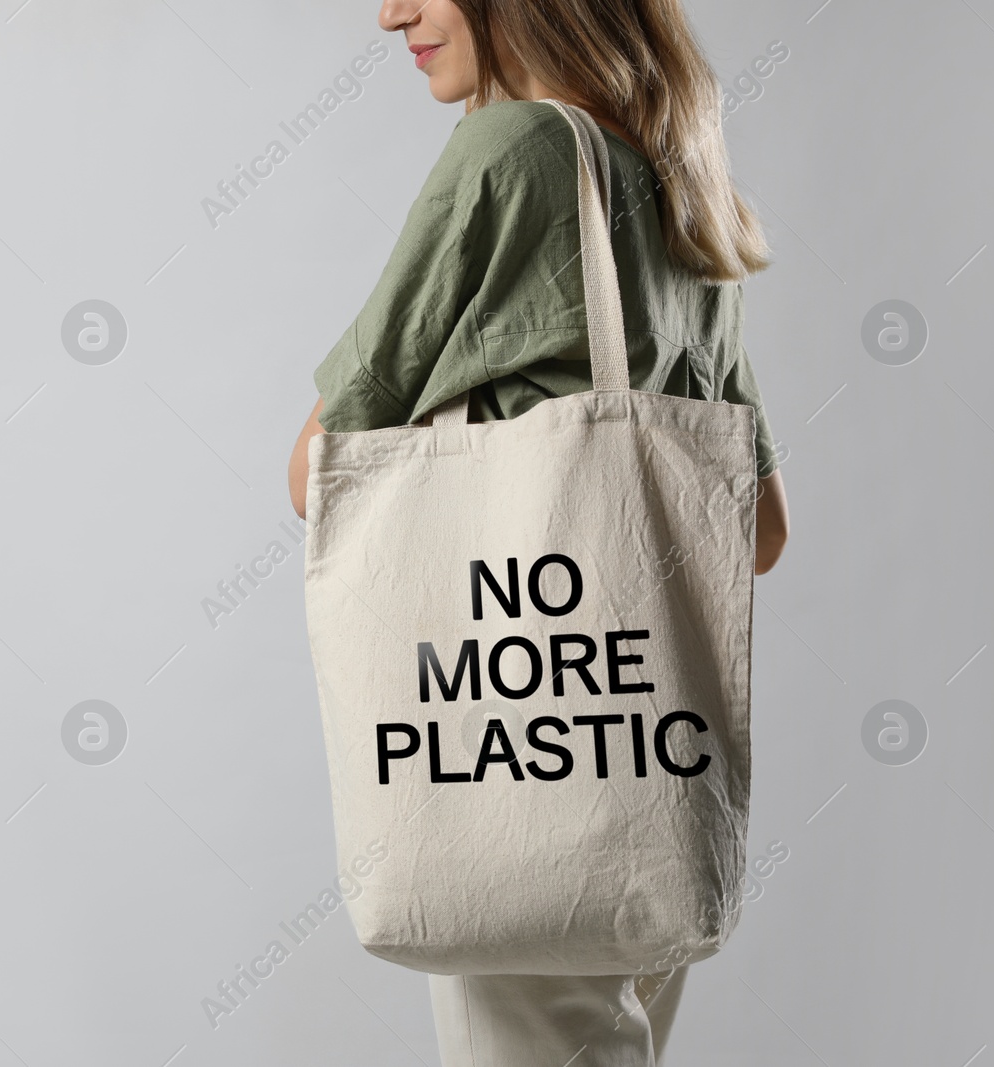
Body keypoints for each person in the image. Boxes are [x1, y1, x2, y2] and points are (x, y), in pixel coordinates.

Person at [286, 1, 790, 1063]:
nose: (390, 14)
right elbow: (755, 532)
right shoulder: (682, 174)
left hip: (514, 784)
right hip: (647, 786)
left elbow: (315, 472)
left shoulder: (508, 151)